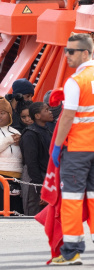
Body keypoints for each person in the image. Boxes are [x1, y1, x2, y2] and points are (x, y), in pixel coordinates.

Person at [51, 33, 94, 265]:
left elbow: (67, 117)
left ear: (85, 53)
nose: (66, 55)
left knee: (72, 198)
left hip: (78, 149)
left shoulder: (76, 81)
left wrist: (56, 147)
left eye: (72, 51)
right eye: (66, 50)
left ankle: (72, 251)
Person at [19, 102, 53, 216]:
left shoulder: (47, 131)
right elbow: (31, 163)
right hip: (34, 179)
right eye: (46, 110)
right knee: (34, 216)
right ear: (38, 116)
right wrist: (40, 189)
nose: (50, 112)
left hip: (47, 179)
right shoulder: (30, 134)